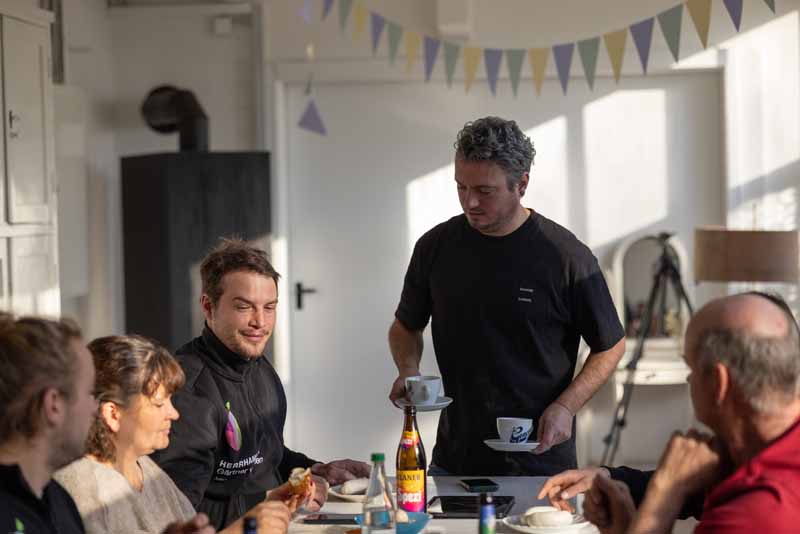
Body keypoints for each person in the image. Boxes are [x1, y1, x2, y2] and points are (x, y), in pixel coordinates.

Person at [388, 116, 626, 476]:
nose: (470, 201)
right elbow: (406, 326)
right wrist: (408, 372)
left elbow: (611, 345)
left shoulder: (566, 257)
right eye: (461, 187)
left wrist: (567, 406)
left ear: (522, 184)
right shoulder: (435, 247)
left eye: (485, 191)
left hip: (541, 462)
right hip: (455, 461)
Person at [152, 238, 370, 530]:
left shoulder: (260, 368)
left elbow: (266, 457)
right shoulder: (187, 392)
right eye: (244, 307)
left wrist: (315, 470)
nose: (260, 322)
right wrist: (268, 501)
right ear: (208, 307)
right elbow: (179, 515)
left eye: (269, 308)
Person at [539, 292, 800, 533]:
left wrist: (663, 496)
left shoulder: (757, 513)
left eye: (691, 368)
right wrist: (611, 478)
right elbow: (700, 491)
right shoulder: (760, 447)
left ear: (718, 383)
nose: (689, 379)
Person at [55, 335, 302, 534]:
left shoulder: (146, 470)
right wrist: (246, 529)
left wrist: (267, 503)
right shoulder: (81, 491)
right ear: (113, 414)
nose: (173, 413)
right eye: (159, 403)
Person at [0, 314, 213, 534]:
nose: (95, 408)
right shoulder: (67, 494)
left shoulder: (55, 498)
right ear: (53, 405)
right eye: (87, 393)